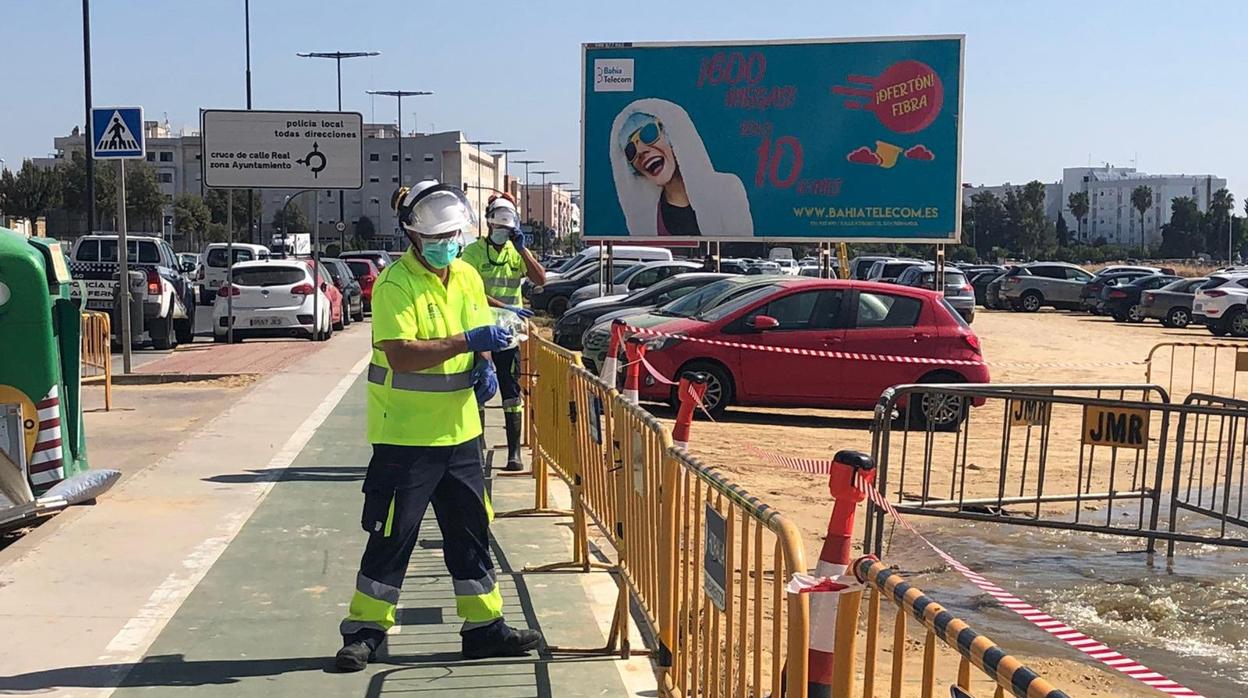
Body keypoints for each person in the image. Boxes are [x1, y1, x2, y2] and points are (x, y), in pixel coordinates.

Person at [335, 180, 543, 672]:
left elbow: (479, 332)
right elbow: (402, 355)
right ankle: (364, 631)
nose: (447, 244)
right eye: (438, 237)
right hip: (406, 436)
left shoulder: (467, 275)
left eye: (453, 235)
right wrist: (467, 342)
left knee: (471, 531)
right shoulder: (395, 284)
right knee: (393, 534)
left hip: (462, 433)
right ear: (412, 236)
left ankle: (484, 628)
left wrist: (485, 360)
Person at [460, 193, 546, 471]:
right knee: (481, 389)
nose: (502, 233)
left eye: (507, 230)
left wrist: (523, 250)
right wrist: (506, 305)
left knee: (511, 392)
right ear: (489, 225)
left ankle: (514, 453)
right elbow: (471, 291)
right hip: (482, 330)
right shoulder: (472, 253)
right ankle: (477, 447)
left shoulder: (515, 251)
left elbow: (540, 279)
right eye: (498, 228)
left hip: (508, 333)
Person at [609, 98, 753, 237]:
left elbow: (741, 248)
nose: (641, 151)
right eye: (630, 150)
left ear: (672, 135)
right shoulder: (650, 219)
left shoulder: (727, 189)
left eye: (648, 133)